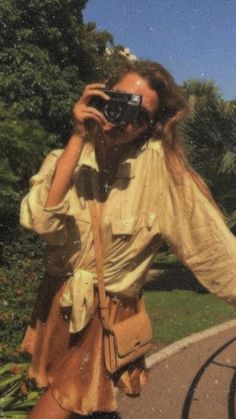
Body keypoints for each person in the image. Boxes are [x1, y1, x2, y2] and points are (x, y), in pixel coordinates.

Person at [20, 60, 236, 419]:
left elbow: (212, 247)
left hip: (105, 317)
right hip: (57, 304)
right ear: (100, 94)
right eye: (120, 101)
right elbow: (41, 221)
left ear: (152, 125)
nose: (123, 119)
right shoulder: (66, 159)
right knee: (75, 408)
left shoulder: (161, 172)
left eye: (139, 114)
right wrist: (77, 134)